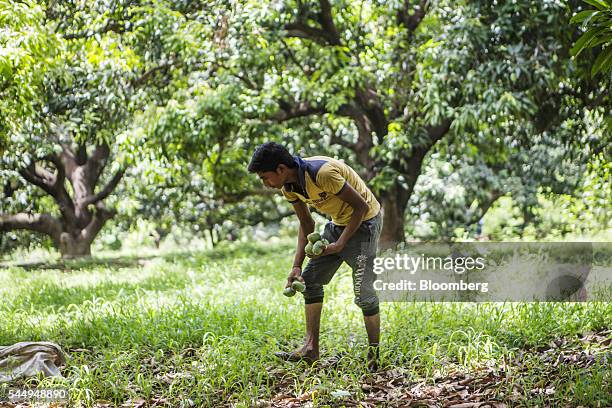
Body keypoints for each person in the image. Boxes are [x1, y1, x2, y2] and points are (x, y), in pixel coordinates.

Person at [247, 142, 383, 370]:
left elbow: (359, 207)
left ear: (281, 169)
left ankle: (374, 356)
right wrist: (296, 266)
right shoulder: (289, 188)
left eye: (265, 177)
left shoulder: (323, 173)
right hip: (338, 223)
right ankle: (311, 349)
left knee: (364, 293)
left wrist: (339, 244)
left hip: (365, 223)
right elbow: (306, 223)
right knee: (308, 282)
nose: (265, 183)